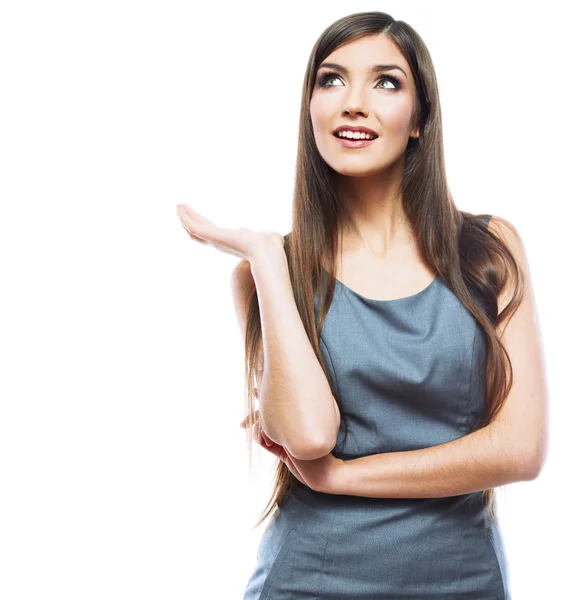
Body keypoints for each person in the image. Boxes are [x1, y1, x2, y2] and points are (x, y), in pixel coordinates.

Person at [176, 10, 547, 600]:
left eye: (386, 82)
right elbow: (309, 435)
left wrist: (347, 477)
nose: (353, 102)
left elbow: (521, 449)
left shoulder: (488, 250)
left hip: (463, 581)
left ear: (420, 116)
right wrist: (270, 258)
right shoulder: (264, 275)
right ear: (310, 109)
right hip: (309, 580)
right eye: (331, 79)